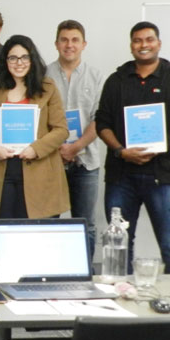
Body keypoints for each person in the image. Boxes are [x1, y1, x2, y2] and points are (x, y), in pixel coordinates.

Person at [96, 21, 170, 274]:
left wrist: (157, 148)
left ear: (159, 43)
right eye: (137, 40)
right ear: (131, 45)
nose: (144, 45)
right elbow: (102, 122)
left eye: (149, 39)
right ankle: (122, 294)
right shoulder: (116, 81)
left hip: (164, 176)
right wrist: (121, 151)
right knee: (118, 244)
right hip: (122, 176)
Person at [0, 35, 69, 221]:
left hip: (39, 169)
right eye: (13, 58)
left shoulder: (47, 87)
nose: (19, 63)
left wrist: (36, 149)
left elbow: (61, 130)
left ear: (32, 59)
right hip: (1, 170)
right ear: (5, 61)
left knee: (35, 233)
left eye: (24, 57)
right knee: (1, 230)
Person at [45, 20, 105, 261]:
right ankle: (49, 271)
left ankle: (84, 273)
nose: (69, 45)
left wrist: (75, 147)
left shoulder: (96, 77)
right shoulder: (43, 76)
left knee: (85, 224)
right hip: (51, 161)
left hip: (86, 162)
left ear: (84, 44)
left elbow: (100, 119)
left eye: (75, 40)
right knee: (47, 221)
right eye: (64, 40)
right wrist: (57, 148)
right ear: (56, 44)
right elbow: (37, 117)